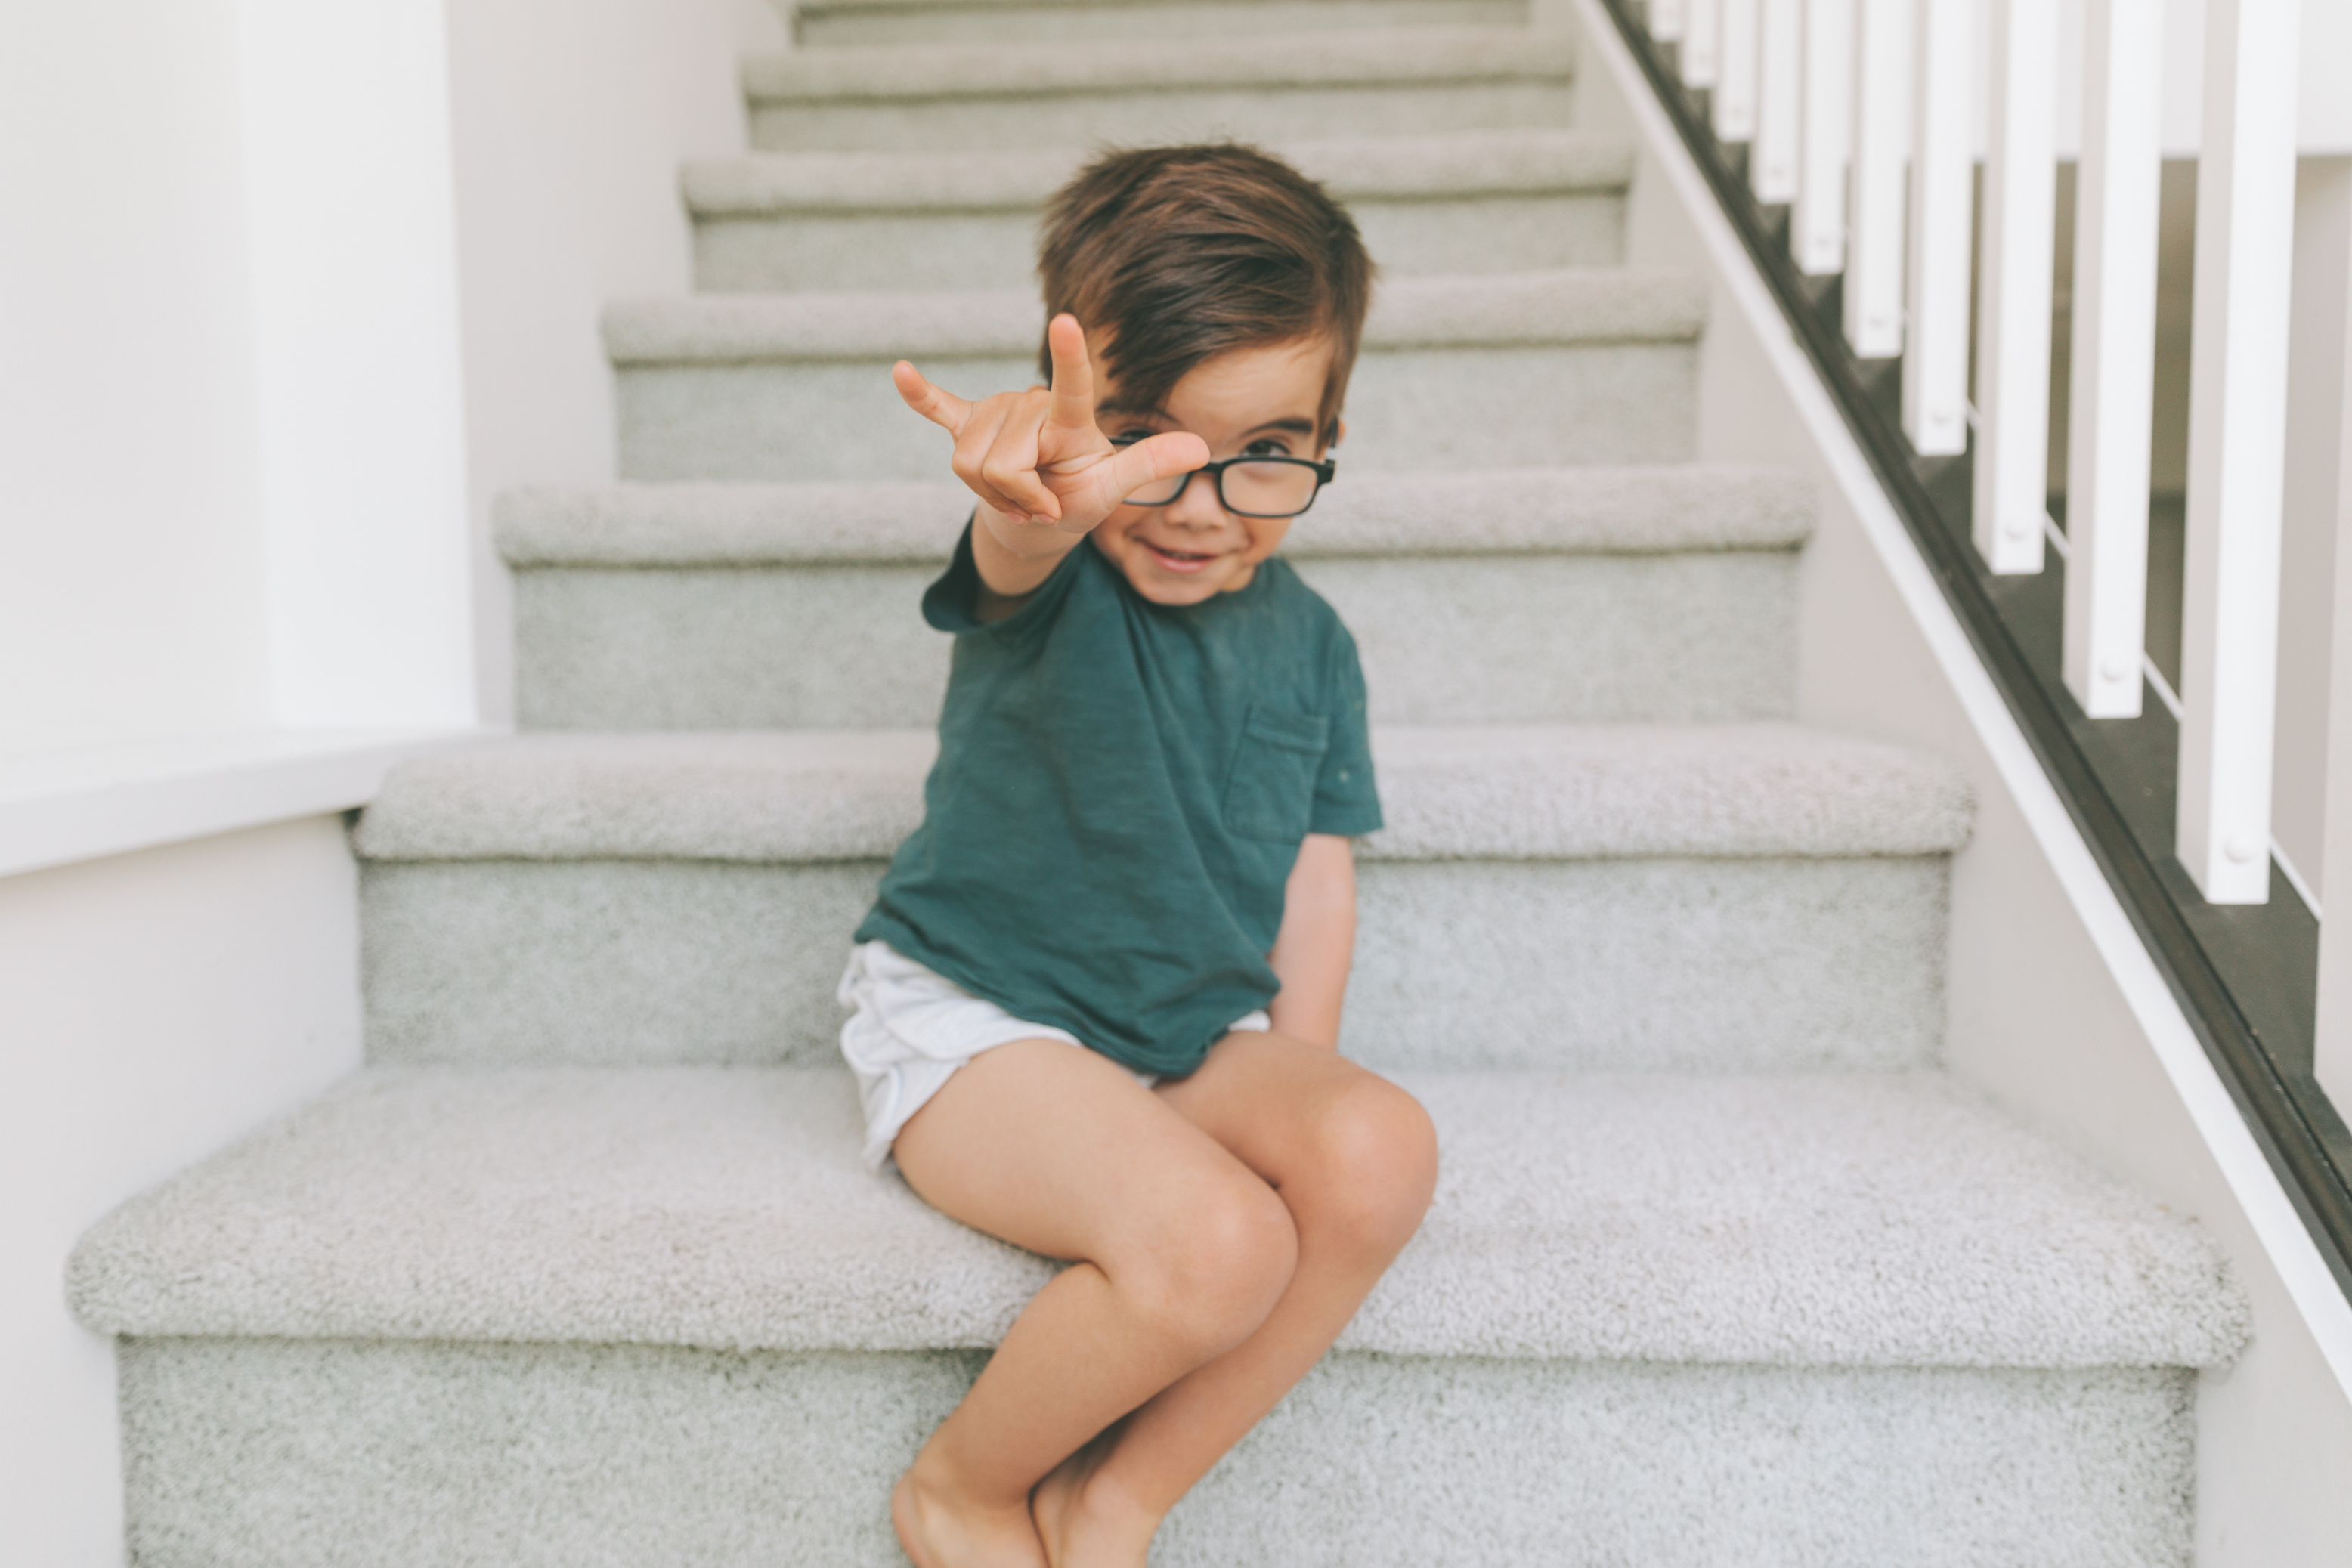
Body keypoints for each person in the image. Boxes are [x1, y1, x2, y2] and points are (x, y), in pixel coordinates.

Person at [836, 144, 1441, 1568]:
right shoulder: (1050, 566)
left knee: (1377, 1150)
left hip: (1185, 1036)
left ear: (1327, 426)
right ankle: (965, 1490)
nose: (1197, 501)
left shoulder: (1314, 642)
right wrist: (1025, 496)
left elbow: (1312, 872)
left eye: (1266, 452)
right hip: (980, 1020)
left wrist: (1303, 1085)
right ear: (1075, 421)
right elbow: (1012, 547)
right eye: (1144, 440)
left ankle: (1112, 1500)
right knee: (1219, 1245)